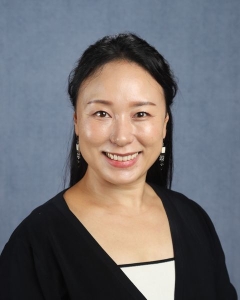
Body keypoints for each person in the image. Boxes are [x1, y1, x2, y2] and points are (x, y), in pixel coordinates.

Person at [0, 33, 237, 300]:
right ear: (77, 121)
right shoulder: (35, 243)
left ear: (164, 124)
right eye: (101, 114)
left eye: (141, 114)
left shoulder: (194, 220)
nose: (121, 137)